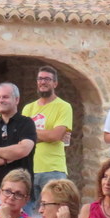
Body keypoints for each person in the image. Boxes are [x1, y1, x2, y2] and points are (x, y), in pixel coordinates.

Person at [22, 65, 73, 209]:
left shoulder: (64, 107)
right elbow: (20, 137)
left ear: (55, 83)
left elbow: (56, 135)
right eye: (40, 79)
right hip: (29, 170)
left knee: (54, 216)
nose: (43, 82)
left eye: (47, 79)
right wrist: (47, 134)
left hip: (53, 170)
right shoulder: (28, 108)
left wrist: (30, 133)